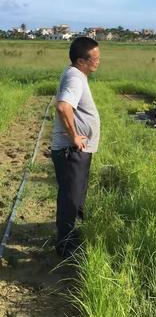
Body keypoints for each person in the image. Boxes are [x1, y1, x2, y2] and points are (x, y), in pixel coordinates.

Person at [51, 36, 101, 257]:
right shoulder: (75, 78)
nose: (98, 61)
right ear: (81, 61)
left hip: (76, 151)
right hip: (72, 151)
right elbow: (63, 107)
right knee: (70, 199)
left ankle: (71, 239)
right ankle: (66, 247)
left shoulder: (77, 74)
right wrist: (75, 137)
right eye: (95, 58)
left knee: (74, 196)